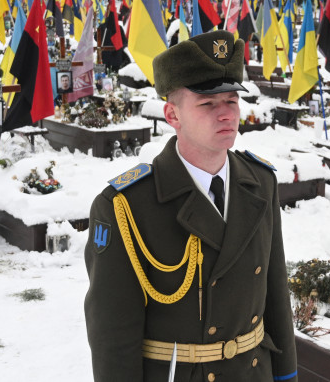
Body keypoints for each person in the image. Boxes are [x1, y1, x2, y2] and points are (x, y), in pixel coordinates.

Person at [84, 30, 297, 382]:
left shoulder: (261, 182)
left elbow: (275, 292)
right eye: (207, 104)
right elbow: (113, 337)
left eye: (231, 101)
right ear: (172, 115)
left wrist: (287, 375)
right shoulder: (126, 206)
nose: (226, 114)